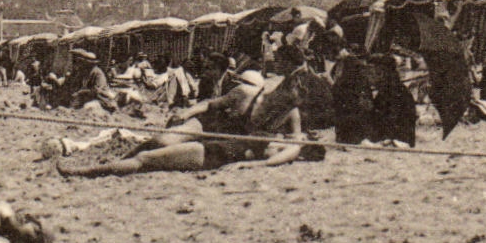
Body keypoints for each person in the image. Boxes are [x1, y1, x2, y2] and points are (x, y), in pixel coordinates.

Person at [58, 49, 312, 178]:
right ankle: (103, 166)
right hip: (215, 139)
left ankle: (86, 172)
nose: (291, 89)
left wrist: (256, 164)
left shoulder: (290, 112)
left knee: (147, 159)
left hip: (220, 153)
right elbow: (212, 105)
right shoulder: (253, 93)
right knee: (155, 146)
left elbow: (295, 146)